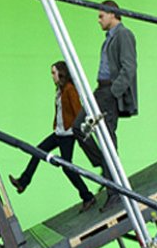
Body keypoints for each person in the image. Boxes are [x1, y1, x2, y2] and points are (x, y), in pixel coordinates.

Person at [73, 0, 138, 212]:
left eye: (101, 16)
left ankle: (115, 193)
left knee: (108, 138)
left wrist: (113, 92)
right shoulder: (109, 38)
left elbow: (129, 67)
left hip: (109, 91)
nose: (98, 20)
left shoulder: (123, 35)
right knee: (78, 127)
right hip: (101, 90)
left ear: (112, 14)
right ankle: (106, 166)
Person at [9, 61, 96, 213]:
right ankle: (23, 182)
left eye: (53, 73)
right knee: (38, 151)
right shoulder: (60, 90)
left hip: (67, 135)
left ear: (61, 73)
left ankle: (87, 197)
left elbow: (78, 111)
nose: (52, 76)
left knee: (67, 167)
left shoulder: (69, 90)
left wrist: (81, 129)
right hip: (59, 132)